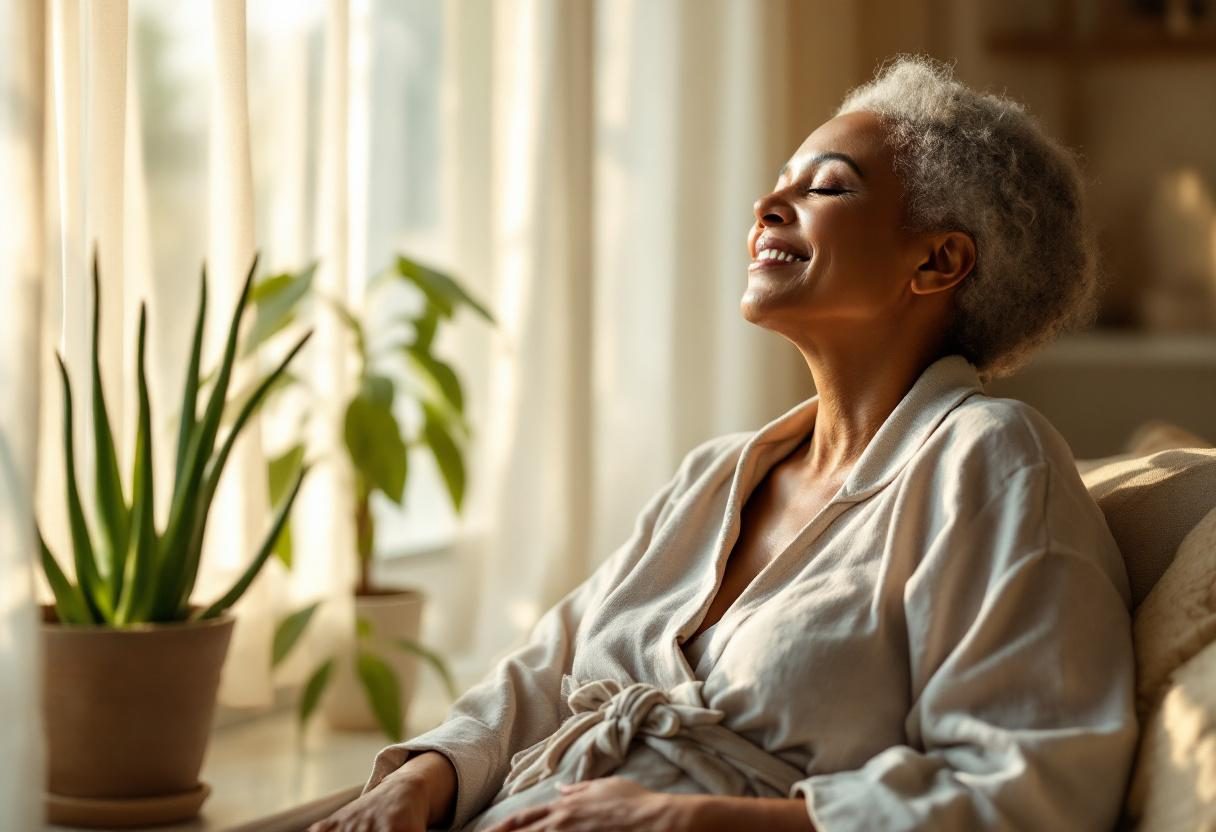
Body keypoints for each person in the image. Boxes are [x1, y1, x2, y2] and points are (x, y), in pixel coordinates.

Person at [311, 55, 1136, 832]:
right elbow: (544, 670)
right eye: (778, 181)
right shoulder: (714, 477)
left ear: (938, 261)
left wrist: (691, 819)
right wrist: (421, 779)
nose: (767, 206)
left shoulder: (991, 458)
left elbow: (1033, 784)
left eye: (826, 187)